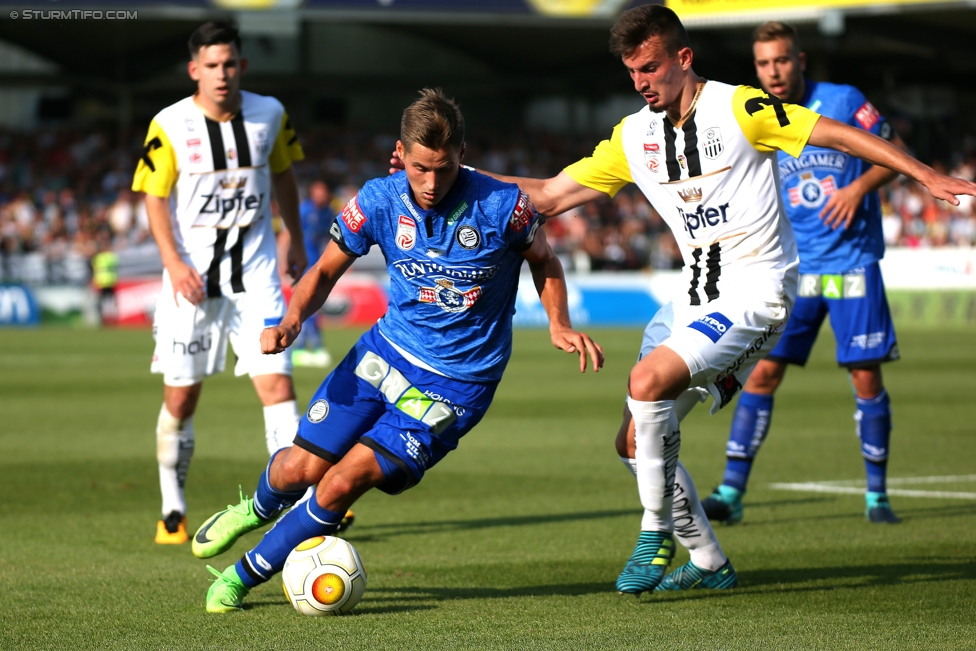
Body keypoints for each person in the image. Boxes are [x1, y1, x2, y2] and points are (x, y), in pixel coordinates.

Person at [424, 5, 975, 594]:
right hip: (693, 296)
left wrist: (922, 173)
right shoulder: (633, 136)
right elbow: (552, 195)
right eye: (632, 72)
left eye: (651, 68)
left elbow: (833, 133)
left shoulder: (740, 108)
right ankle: (710, 562)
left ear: (684, 58)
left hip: (759, 291)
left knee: (645, 384)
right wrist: (457, 172)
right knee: (635, 443)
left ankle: (653, 531)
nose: (641, 82)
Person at [193, 88, 604, 613]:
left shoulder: (503, 205)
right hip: (382, 355)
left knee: (343, 481)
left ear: (462, 154)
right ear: (401, 154)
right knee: (298, 469)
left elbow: (544, 261)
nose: (431, 184)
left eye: (444, 168)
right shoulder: (379, 199)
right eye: (419, 168)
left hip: (455, 385)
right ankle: (256, 506)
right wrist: (292, 318)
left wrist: (558, 322)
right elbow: (321, 271)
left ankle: (241, 575)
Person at [700, 22, 907, 526]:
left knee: (863, 375)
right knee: (763, 372)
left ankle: (877, 496)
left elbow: (895, 150)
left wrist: (856, 191)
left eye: (782, 60)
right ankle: (731, 491)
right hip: (793, 270)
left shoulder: (841, 101)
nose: (774, 71)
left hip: (850, 264)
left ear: (801, 60)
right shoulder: (750, 113)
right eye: (764, 63)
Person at [131, 21, 308, 545]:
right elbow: (154, 197)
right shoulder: (168, 123)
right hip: (192, 285)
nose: (222, 74)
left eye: (230, 64)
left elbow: (284, 176)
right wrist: (173, 262)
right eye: (211, 66)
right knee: (182, 400)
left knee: (278, 387)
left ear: (242, 67)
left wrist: (295, 238)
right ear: (194, 70)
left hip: (255, 278)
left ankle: (298, 502)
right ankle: (173, 506)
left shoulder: (270, 113)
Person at [291, 180, 335, 368]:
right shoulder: (303, 210)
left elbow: (333, 238)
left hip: (318, 263)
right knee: (307, 305)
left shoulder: (328, 212)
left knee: (314, 306)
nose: (321, 195)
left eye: (323, 192)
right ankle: (308, 347)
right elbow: (288, 234)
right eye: (317, 192)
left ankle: (306, 348)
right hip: (303, 264)